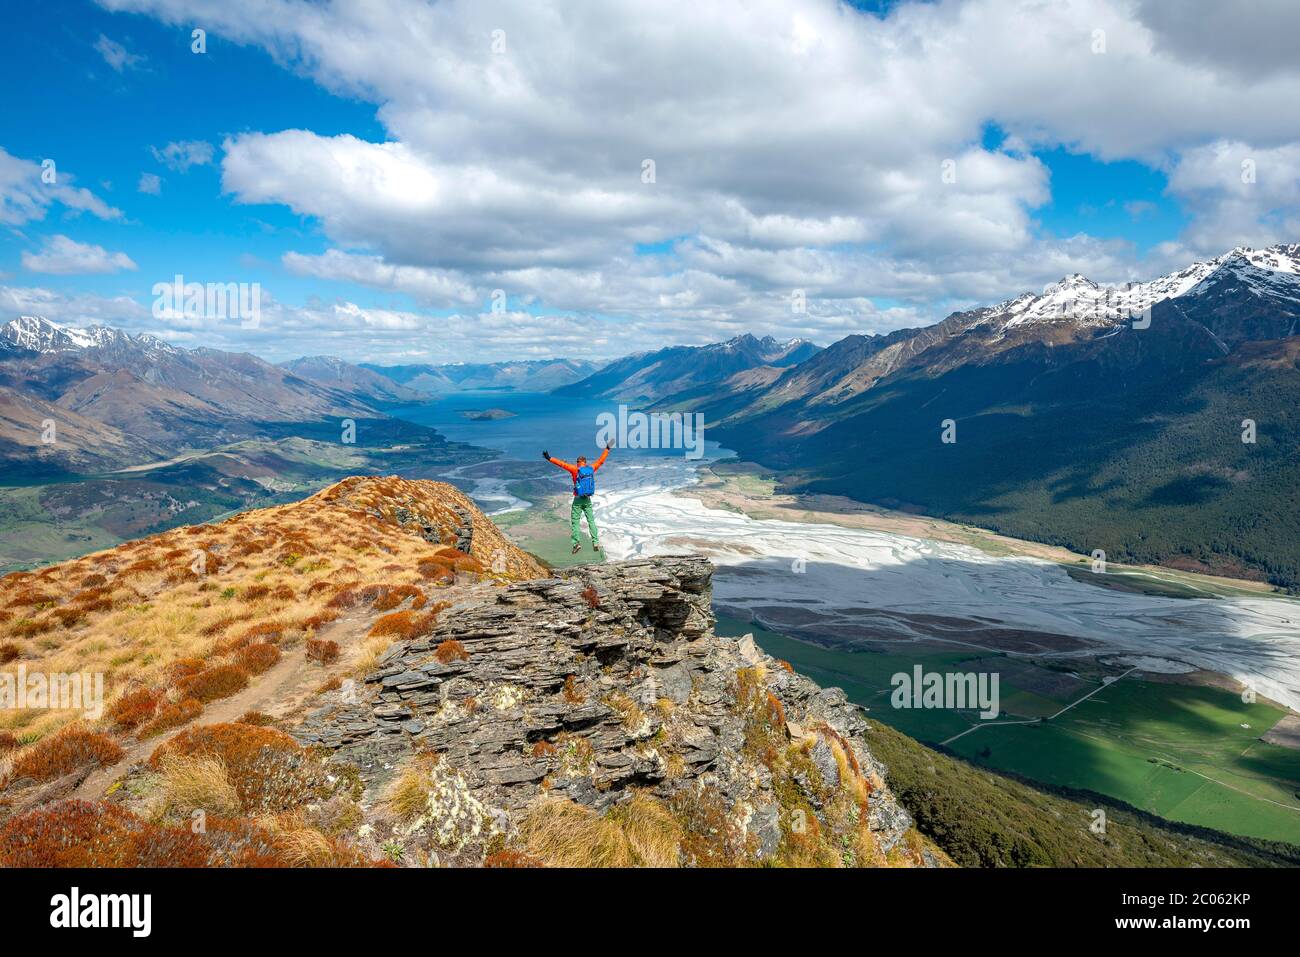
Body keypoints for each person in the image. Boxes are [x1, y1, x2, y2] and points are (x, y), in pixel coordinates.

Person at [543, 441, 612, 553]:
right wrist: (607, 449)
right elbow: (601, 461)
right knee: (591, 521)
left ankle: (576, 544)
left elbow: (562, 464)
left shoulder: (575, 470)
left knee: (575, 521)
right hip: (587, 499)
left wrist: (549, 458)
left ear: (578, 462)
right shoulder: (591, 469)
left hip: (578, 499)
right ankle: (595, 541)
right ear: (585, 462)